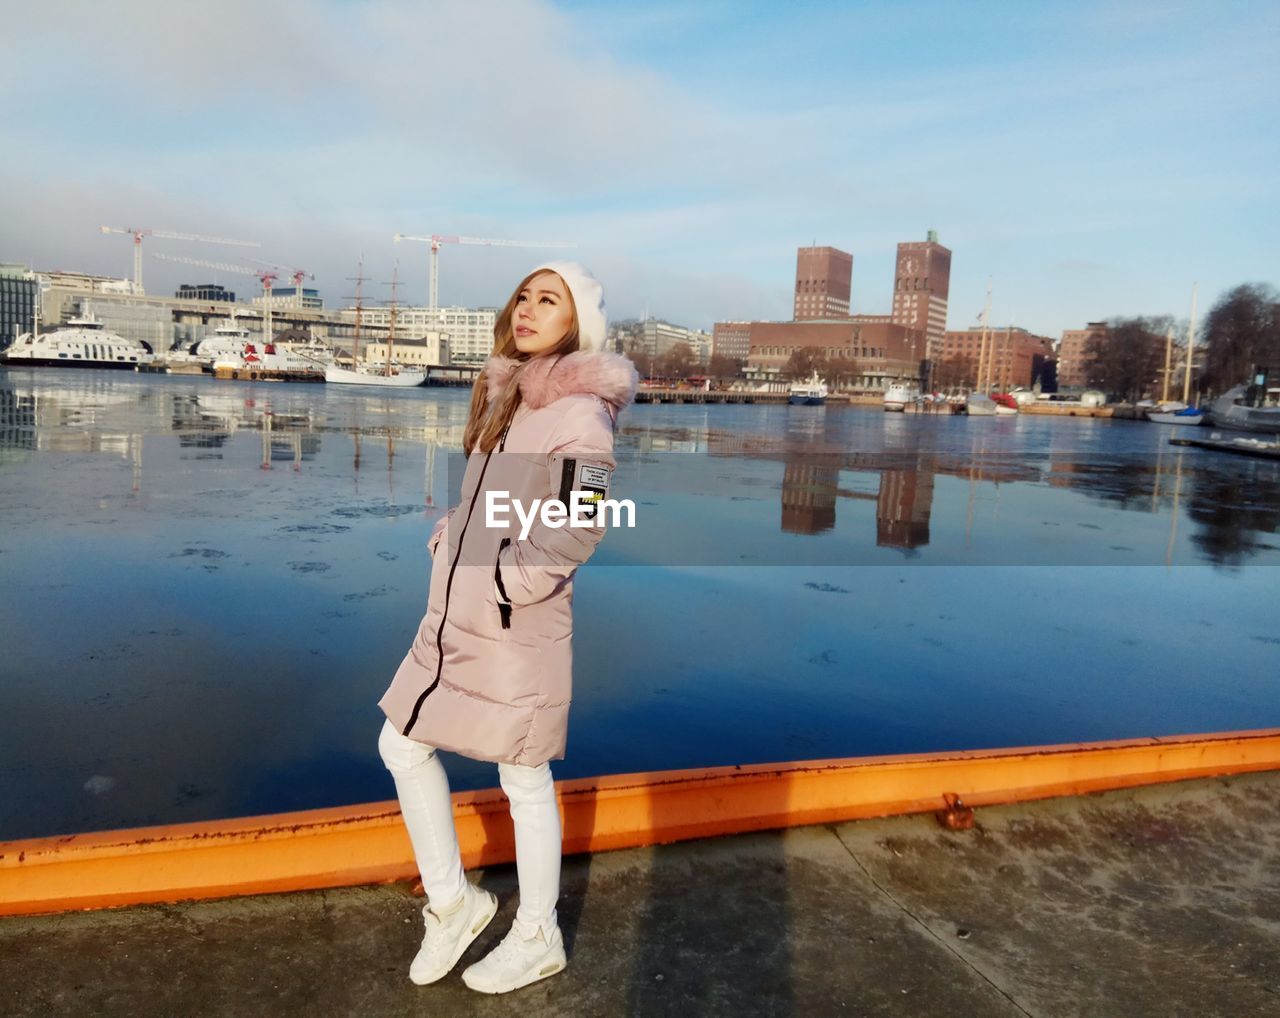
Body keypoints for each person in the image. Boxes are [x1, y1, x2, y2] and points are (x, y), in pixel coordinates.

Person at [376, 262, 637, 994]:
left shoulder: (581, 413)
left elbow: (580, 525)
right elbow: (494, 499)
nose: (527, 308)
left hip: (514, 621)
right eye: (524, 295)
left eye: (548, 299)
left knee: (522, 774)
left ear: (576, 323)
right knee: (400, 741)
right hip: (459, 613)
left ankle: (538, 935)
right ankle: (455, 904)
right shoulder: (510, 395)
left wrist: (503, 579)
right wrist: (452, 533)